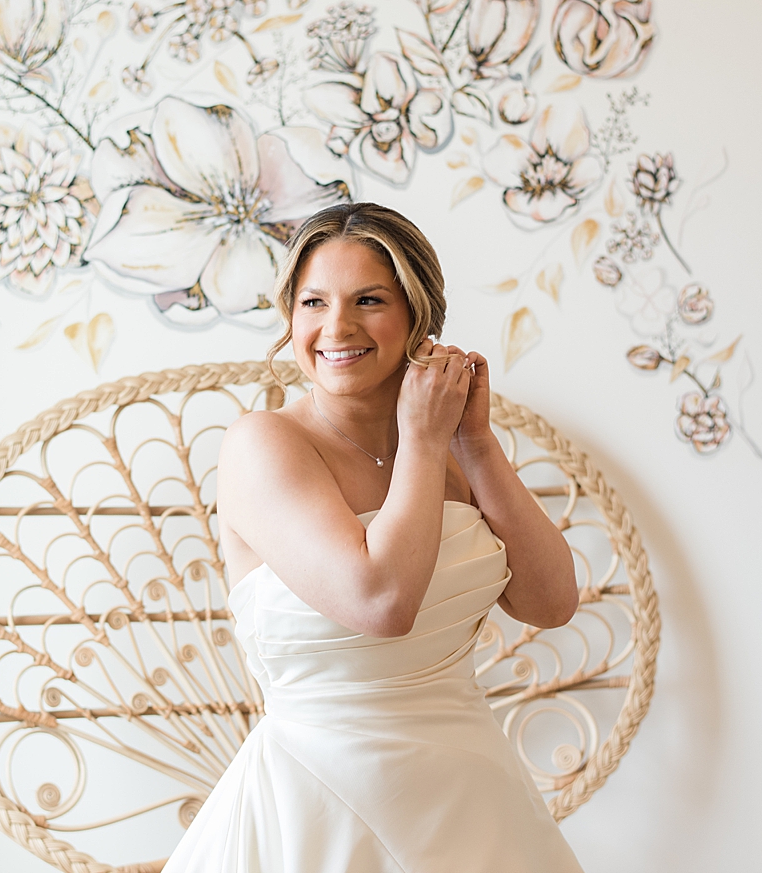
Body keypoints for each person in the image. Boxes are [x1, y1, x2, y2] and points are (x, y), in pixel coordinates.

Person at [166, 203, 585, 871]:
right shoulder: (263, 444)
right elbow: (381, 604)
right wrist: (424, 439)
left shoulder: (453, 451)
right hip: (319, 807)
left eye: (368, 299)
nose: (337, 327)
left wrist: (473, 442)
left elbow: (552, 601)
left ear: (418, 315)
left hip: (475, 799)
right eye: (313, 302)